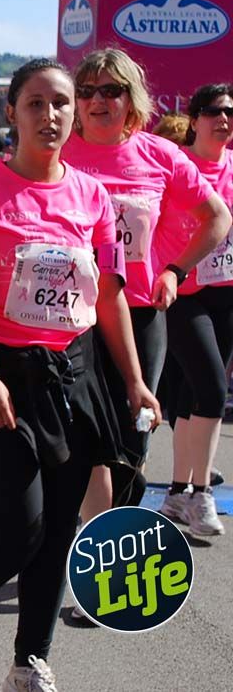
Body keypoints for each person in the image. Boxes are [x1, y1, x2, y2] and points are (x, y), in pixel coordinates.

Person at [0, 58, 159, 691]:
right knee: (19, 526)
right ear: (14, 113)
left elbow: (109, 296)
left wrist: (135, 381)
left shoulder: (91, 194)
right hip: (0, 371)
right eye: (36, 103)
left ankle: (30, 660)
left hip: (74, 377)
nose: (51, 115)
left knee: (59, 529)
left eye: (62, 103)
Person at [61, 48, 228, 559]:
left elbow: (217, 217)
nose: (97, 101)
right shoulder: (57, 151)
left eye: (110, 90)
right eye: (86, 92)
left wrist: (175, 270)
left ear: (131, 99)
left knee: (133, 439)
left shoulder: (159, 154)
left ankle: (113, 540)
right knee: (83, 438)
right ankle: (96, 549)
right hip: (70, 317)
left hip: (139, 313)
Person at [153, 84, 233, 536]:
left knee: (191, 397)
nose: (223, 119)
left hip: (227, 290)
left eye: (230, 112)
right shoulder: (178, 168)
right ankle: (202, 492)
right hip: (183, 290)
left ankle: (177, 493)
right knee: (211, 386)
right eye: (214, 111)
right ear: (195, 118)